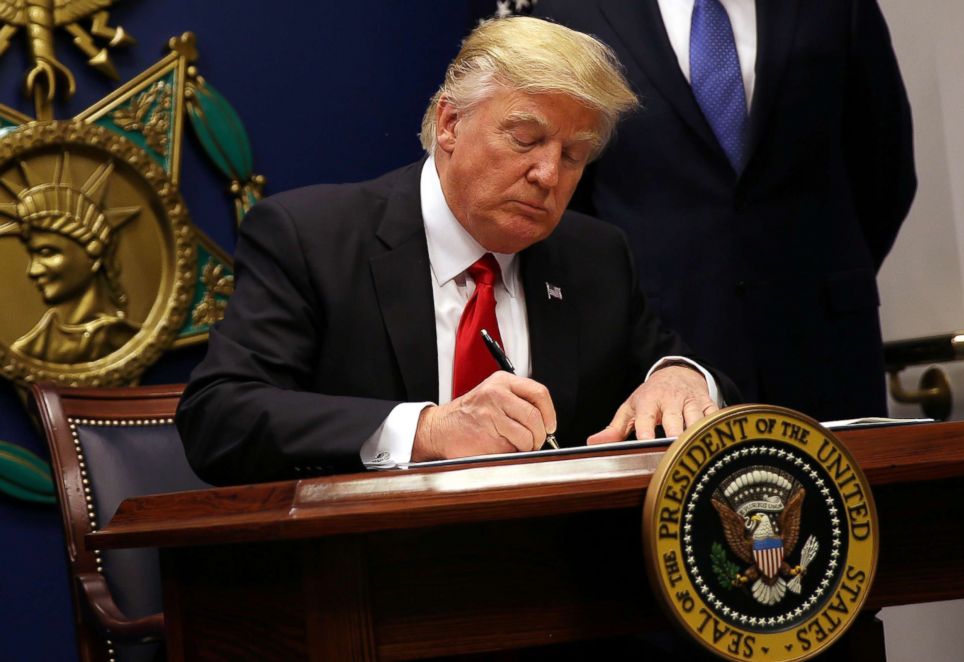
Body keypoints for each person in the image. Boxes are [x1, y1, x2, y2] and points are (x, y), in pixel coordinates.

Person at [177, 16, 739, 486]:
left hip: (558, 589)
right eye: (525, 140)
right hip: (368, 583)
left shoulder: (595, 256)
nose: (548, 174)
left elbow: (680, 371)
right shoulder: (311, 238)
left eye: (573, 156)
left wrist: (682, 377)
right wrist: (426, 431)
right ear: (450, 122)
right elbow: (220, 417)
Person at [536, 0, 916, 420]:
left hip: (823, 342)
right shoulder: (577, 12)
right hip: (659, 356)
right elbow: (570, 199)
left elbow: (884, 165)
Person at [0, 156, 140, 363]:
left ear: (93, 254)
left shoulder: (123, 339)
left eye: (47, 252)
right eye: (33, 254)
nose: (33, 269)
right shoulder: (29, 347)